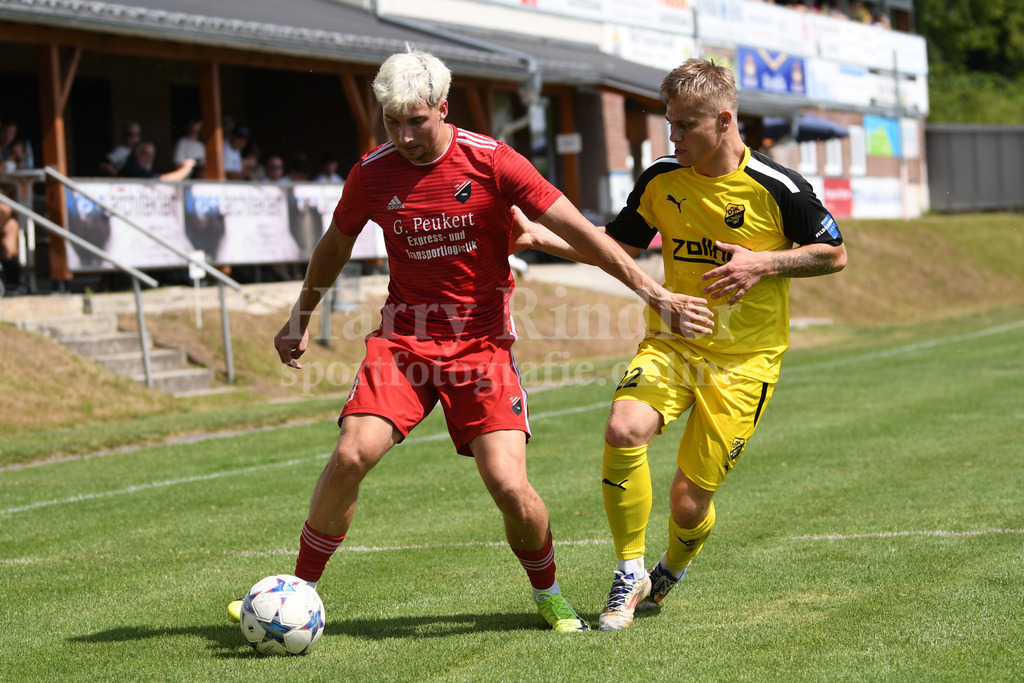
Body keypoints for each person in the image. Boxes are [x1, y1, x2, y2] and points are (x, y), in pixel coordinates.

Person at [226, 47, 711, 633]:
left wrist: (654, 294)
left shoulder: (494, 161)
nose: (404, 135)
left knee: (509, 485)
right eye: (392, 122)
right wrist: (299, 315)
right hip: (402, 345)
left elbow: (583, 233)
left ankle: (549, 593)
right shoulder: (371, 172)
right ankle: (293, 594)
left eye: (416, 121)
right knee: (352, 454)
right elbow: (336, 245)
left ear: (443, 108)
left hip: (481, 349)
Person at [514, 58, 846, 631]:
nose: (673, 137)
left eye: (685, 125)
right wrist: (539, 236)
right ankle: (628, 571)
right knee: (623, 428)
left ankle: (670, 568)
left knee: (689, 502)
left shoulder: (778, 186)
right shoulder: (661, 178)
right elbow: (617, 245)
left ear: (723, 119)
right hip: (672, 343)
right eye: (670, 123)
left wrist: (764, 263)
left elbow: (834, 254)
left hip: (745, 362)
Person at [120, 141, 196, 181]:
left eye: (152, 154)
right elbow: (162, 180)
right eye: (145, 153)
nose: (149, 158)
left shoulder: (140, 168)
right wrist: (186, 168)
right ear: (136, 154)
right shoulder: (133, 168)